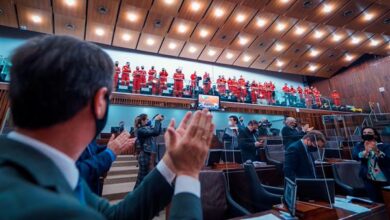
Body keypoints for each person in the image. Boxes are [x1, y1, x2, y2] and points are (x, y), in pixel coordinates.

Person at [0, 35, 215, 219]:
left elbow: (115, 216)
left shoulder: (45, 170)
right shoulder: (50, 210)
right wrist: (188, 173)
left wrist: (172, 162)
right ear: (99, 102)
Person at [352, 127, 390, 202]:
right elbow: (355, 156)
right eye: (364, 133)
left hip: (384, 178)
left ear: (375, 135)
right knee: (375, 201)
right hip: (369, 179)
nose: (366, 134)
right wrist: (365, 151)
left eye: (369, 133)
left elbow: (388, 160)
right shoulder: (359, 146)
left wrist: (376, 150)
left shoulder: (384, 146)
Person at [133, 114, 163, 189]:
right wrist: (156, 121)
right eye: (146, 119)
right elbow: (155, 132)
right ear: (142, 121)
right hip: (144, 156)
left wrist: (159, 121)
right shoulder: (141, 130)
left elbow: (158, 132)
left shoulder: (146, 128)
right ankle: (135, 197)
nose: (148, 120)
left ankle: (139, 196)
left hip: (149, 156)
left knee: (145, 179)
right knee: (142, 180)